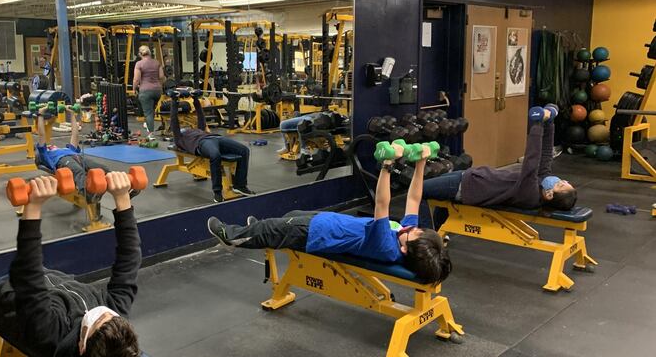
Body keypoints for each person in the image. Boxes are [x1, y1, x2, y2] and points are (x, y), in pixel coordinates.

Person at [0, 172, 142, 357]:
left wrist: (33, 205)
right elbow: (129, 258)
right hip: (53, 283)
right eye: (111, 315)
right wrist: (122, 198)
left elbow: (28, 275)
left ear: (82, 346)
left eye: (98, 319)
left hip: (5, 296)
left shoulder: (48, 331)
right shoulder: (114, 313)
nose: (103, 311)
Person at [207, 142, 451, 284]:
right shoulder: (405, 235)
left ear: (405, 249)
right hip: (329, 222)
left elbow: (382, 205)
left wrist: (387, 166)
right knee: (288, 215)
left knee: (274, 228)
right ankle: (259, 230)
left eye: (417, 233)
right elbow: (414, 197)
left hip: (318, 234)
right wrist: (420, 163)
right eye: (420, 228)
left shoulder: (386, 246)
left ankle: (232, 236)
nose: (414, 228)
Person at [419, 105, 577, 231]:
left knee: (418, 191)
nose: (560, 180)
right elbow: (546, 154)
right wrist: (549, 123)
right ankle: (440, 232)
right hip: (469, 177)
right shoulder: (541, 183)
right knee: (439, 195)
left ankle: (425, 239)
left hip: (466, 187)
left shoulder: (530, 193)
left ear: (549, 195)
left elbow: (532, 161)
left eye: (560, 185)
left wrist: (537, 125)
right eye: (564, 181)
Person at [168, 89, 254, 203]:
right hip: (201, 143)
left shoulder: (198, 129)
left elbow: (201, 117)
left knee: (244, 150)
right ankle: (217, 193)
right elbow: (174, 120)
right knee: (215, 155)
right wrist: (174, 101)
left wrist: (196, 100)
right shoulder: (179, 138)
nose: (185, 128)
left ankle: (240, 186)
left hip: (215, 137)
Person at [34, 105, 112, 199]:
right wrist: (40, 114)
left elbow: (75, 133)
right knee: (79, 171)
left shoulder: (67, 149)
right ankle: (88, 195)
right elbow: (42, 135)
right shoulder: (45, 153)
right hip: (62, 160)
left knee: (103, 168)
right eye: (48, 146)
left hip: (77, 157)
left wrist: (71, 114)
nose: (51, 145)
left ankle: (121, 185)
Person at [133, 45, 165, 137]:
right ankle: (148, 124)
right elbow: (162, 77)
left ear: (140, 54)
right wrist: (160, 86)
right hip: (157, 91)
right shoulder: (157, 63)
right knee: (152, 111)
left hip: (145, 91)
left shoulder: (139, 64)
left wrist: (134, 89)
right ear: (150, 53)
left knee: (148, 113)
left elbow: (136, 79)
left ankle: (150, 134)